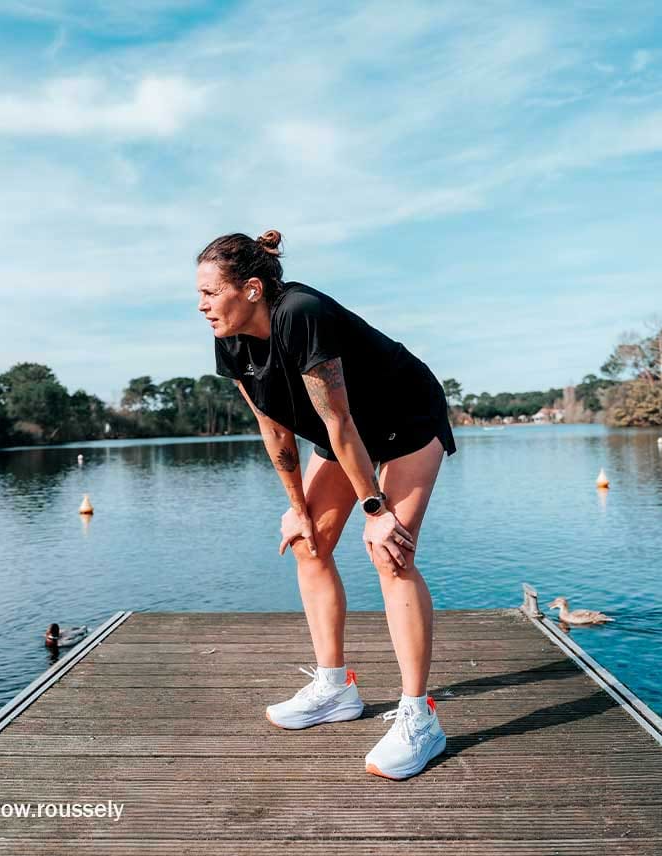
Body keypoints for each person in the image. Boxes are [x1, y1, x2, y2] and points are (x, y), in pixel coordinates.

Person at [196, 229, 457, 780]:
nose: (201, 305)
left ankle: (419, 718)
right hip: (344, 438)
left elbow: (339, 422)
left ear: (249, 288)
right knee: (308, 543)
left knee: (392, 554)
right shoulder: (231, 338)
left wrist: (377, 509)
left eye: (210, 292)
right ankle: (335, 689)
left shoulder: (301, 313)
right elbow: (276, 432)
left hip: (405, 420)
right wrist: (297, 508)